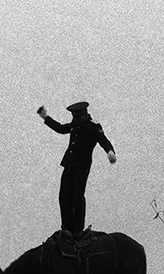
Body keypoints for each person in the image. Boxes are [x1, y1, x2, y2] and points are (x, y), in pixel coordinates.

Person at [37, 100, 115, 234]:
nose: (75, 120)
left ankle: (78, 229)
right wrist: (45, 117)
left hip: (82, 166)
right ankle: (67, 227)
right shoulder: (75, 124)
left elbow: (104, 140)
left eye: (76, 117)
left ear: (84, 115)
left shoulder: (93, 126)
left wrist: (110, 152)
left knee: (78, 196)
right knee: (64, 196)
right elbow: (61, 129)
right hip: (69, 164)